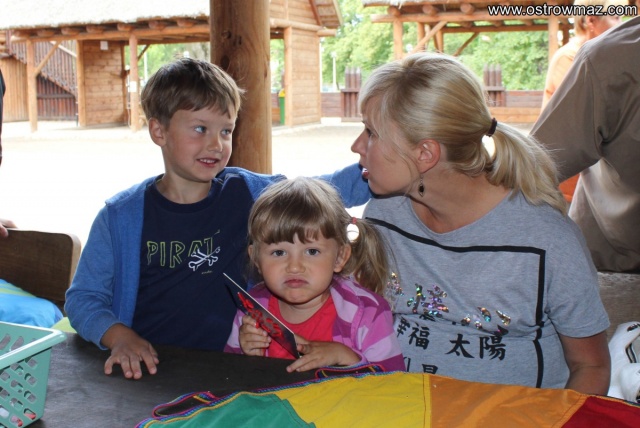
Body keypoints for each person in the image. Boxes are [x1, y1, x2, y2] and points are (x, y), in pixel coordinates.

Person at [64, 58, 368, 380]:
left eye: (226, 131)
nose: (216, 144)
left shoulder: (249, 193)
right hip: (147, 370)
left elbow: (320, 193)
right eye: (200, 129)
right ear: (158, 131)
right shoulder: (121, 217)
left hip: (233, 368)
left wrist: (377, 165)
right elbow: (83, 299)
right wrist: (119, 337)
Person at [349, 52, 610, 395]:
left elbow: (591, 366)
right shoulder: (384, 215)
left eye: (371, 132)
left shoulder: (547, 240)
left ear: (425, 153)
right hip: (404, 408)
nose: (356, 146)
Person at [225, 177, 405, 373]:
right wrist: (246, 354)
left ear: (340, 257)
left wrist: (346, 357)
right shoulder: (253, 310)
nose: (294, 267)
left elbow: (394, 382)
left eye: (312, 251)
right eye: (279, 252)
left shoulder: (368, 313)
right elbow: (229, 376)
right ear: (256, 259)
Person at [532, 16, 640, 273]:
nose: (618, 20)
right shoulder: (581, 56)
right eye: (613, 15)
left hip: (615, 253)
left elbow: (534, 164)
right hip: (611, 252)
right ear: (591, 21)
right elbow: (544, 158)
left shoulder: (607, 55)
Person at [541, 0, 624, 202]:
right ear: (591, 20)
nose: (621, 25)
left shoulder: (599, 57)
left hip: (594, 177)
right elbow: (583, 118)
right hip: (572, 181)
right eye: (615, 17)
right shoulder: (569, 58)